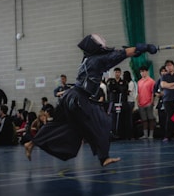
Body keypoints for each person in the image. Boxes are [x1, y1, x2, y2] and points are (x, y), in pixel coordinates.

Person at [24, 33, 157, 166]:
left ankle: (32, 143)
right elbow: (118, 55)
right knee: (103, 122)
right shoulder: (96, 60)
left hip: (71, 97)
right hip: (79, 98)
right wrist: (142, 48)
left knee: (64, 126)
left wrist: (134, 51)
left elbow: (114, 57)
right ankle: (103, 158)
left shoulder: (88, 59)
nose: (103, 43)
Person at [107, 67, 130, 139]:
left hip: (121, 101)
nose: (117, 74)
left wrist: (117, 89)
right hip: (113, 101)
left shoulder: (124, 82)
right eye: (116, 72)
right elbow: (110, 89)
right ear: (114, 73)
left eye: (118, 72)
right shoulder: (111, 81)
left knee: (121, 117)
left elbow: (123, 90)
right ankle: (113, 132)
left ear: (120, 73)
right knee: (112, 117)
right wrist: (117, 89)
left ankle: (121, 134)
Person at [137, 66, 156, 139]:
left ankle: (151, 134)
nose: (143, 73)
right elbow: (138, 93)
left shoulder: (151, 81)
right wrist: (138, 101)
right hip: (141, 103)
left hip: (148, 103)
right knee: (144, 119)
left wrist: (152, 101)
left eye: (144, 71)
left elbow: (153, 93)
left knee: (150, 118)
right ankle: (145, 134)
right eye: (141, 71)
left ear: (147, 72)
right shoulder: (139, 82)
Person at [153, 66, 167, 139]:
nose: (163, 72)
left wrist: (164, 93)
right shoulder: (158, 81)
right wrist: (157, 94)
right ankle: (163, 135)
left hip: (169, 102)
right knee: (162, 120)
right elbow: (154, 91)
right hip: (161, 102)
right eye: (162, 71)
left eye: (165, 71)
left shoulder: (170, 79)